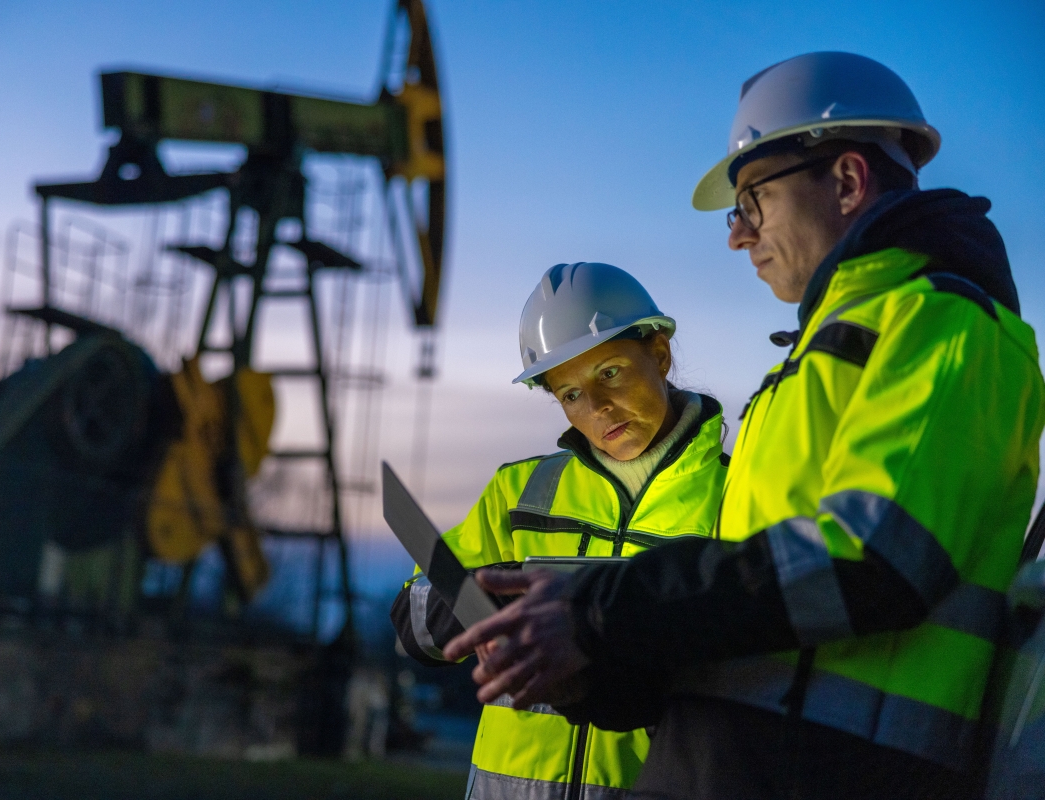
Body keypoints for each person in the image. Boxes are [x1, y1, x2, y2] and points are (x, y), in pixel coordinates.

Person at [443, 52, 1045, 799]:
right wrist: (595, 678)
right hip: (735, 768)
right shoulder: (807, 369)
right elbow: (748, 622)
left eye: (753, 200)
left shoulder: (949, 326)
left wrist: (595, 609)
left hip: (831, 776)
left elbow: (873, 561)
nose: (737, 235)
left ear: (849, 182)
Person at [391, 261, 729, 799]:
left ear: (660, 354)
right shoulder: (520, 493)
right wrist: (493, 599)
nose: (596, 408)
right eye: (569, 394)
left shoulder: (734, 498)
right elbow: (414, 625)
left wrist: (589, 611)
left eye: (610, 373)